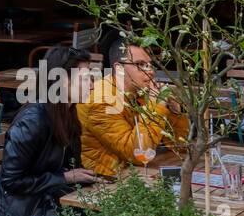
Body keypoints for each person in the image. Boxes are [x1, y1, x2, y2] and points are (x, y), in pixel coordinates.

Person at [0, 45, 100, 216]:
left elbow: (69, 166)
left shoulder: (68, 113)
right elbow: (11, 182)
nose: (92, 86)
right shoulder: (34, 120)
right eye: (85, 79)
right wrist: (65, 177)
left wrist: (82, 176)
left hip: (54, 202)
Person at [77, 43, 189, 177]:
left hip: (138, 172)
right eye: (140, 64)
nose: (151, 71)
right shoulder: (101, 101)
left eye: (150, 64)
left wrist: (175, 111)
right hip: (106, 181)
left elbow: (180, 146)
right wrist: (155, 105)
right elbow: (137, 153)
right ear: (119, 69)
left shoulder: (141, 92)